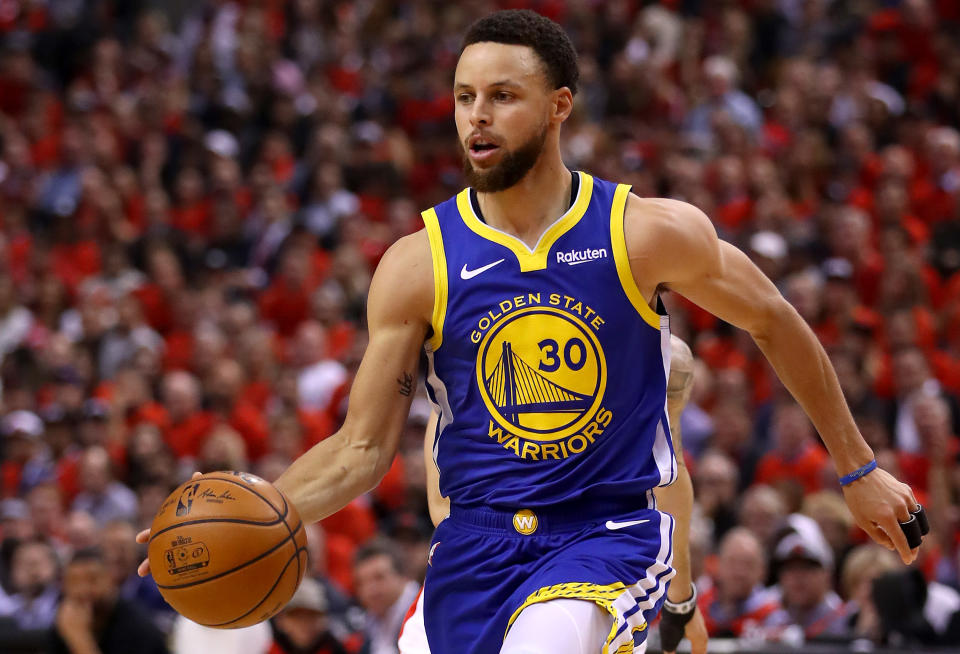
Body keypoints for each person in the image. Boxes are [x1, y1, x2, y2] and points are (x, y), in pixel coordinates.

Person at [139, 9, 921, 654]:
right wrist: (254, 516)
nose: (477, 116)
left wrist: (857, 471)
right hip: (472, 546)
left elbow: (774, 320)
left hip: (603, 534)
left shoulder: (643, 231)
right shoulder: (418, 265)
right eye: (463, 97)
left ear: (560, 105)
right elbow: (361, 450)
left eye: (503, 96)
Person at [398, 335, 709, 654]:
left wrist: (679, 598)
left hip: (589, 554)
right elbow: (443, 507)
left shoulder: (651, 348)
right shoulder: (464, 335)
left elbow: (665, 477)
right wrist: (680, 600)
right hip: (479, 559)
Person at [49, 547, 167, 654]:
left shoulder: (137, 627)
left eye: (92, 579)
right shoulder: (65, 620)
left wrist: (79, 639)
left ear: (110, 579)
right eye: (74, 582)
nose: (83, 590)